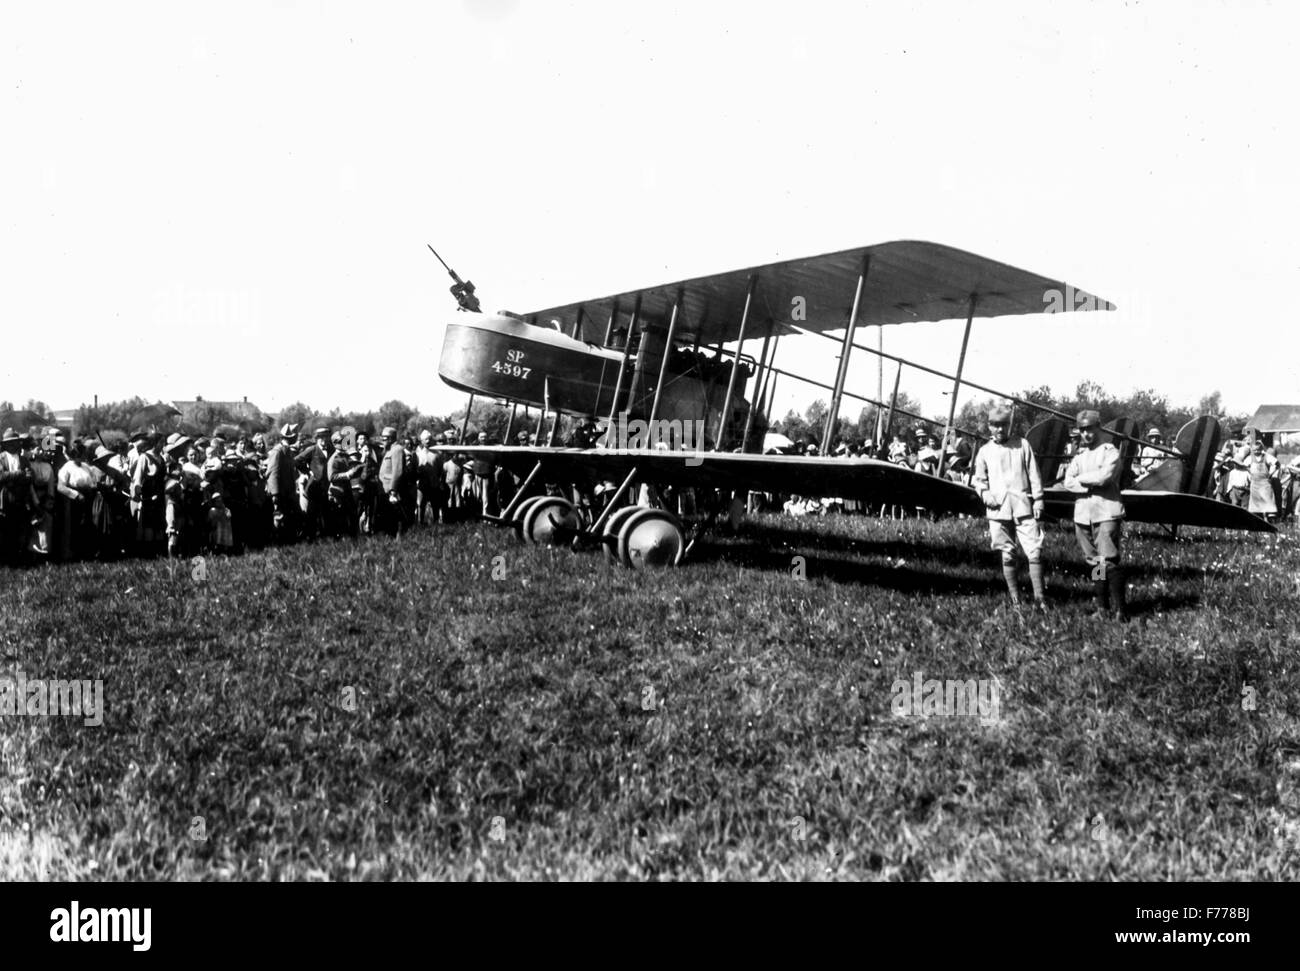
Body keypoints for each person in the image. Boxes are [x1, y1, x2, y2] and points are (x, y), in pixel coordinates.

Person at [972, 405, 1046, 608]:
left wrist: (1038, 498)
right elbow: (978, 480)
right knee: (1007, 553)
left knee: (1035, 551)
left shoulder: (1022, 445)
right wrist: (985, 493)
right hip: (998, 510)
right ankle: (1016, 600)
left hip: (1022, 507)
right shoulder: (985, 451)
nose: (999, 429)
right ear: (989, 426)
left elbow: (1034, 474)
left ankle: (1040, 600)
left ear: (1009, 425)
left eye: (1003, 425)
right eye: (995, 425)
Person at [1063, 410, 1127, 620]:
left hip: (1106, 512)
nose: (1086, 434)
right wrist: (1085, 482)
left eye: (1090, 428)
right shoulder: (1080, 456)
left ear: (1098, 428)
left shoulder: (1109, 451)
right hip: (1083, 515)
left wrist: (1081, 479)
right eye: (1082, 430)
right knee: (1094, 562)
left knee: (1108, 560)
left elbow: (1104, 477)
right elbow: (1067, 481)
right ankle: (1102, 607)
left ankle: (1121, 610)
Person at [266, 423, 301, 543]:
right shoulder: (278, 451)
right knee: (279, 516)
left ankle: (287, 540)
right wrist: (275, 493)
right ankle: (278, 542)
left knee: (288, 516)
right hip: (280, 491)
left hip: (288, 490)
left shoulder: (288, 451)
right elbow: (273, 473)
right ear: (290, 437)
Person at [377, 426, 408, 535]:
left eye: (384, 438)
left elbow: (397, 471)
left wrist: (393, 490)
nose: (382, 440)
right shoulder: (390, 449)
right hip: (386, 488)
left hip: (392, 489)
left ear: (391, 438)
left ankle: (399, 538)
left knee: (397, 515)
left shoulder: (397, 450)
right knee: (389, 515)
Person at [1246, 439, 1279, 519]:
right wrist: (1250, 472)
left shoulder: (1266, 457)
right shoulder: (1250, 458)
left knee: (1267, 498)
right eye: (1254, 450)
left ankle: (1268, 517)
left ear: (1261, 449)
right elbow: (1245, 465)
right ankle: (1257, 518)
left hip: (1265, 482)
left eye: (1258, 450)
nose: (1256, 451)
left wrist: (1270, 473)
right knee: (1256, 501)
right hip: (1255, 483)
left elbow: (1276, 463)